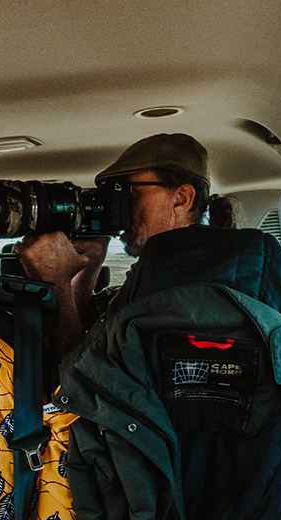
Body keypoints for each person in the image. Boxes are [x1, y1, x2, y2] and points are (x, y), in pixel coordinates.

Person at [16, 132, 235, 358]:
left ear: (181, 197)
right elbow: (89, 341)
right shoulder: (146, 284)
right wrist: (90, 264)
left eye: (130, 193)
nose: (119, 208)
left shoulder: (196, 294)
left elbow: (81, 387)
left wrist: (56, 282)